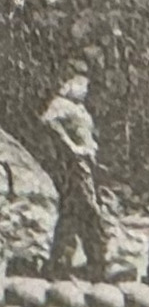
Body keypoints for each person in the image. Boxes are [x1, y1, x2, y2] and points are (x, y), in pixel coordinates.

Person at [41, 71, 106, 279]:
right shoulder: (61, 104)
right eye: (80, 84)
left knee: (71, 212)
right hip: (74, 165)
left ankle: (60, 261)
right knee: (89, 209)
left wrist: (91, 148)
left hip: (86, 163)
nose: (84, 89)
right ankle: (96, 261)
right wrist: (70, 146)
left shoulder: (80, 108)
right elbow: (48, 121)